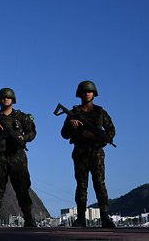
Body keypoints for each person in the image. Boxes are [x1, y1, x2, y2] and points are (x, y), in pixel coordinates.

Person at [0, 88, 37, 227]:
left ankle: (28, 218)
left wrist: (24, 137)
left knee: (22, 188)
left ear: (13, 100)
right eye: (3, 97)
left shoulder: (21, 117)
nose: (5, 99)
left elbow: (32, 132)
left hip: (17, 156)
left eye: (8, 97)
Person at [60, 80, 116, 228]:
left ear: (94, 94)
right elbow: (64, 134)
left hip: (96, 152)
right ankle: (80, 218)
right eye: (84, 92)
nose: (87, 94)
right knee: (81, 186)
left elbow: (111, 132)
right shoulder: (74, 113)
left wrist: (96, 136)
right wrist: (71, 125)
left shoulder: (100, 112)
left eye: (89, 91)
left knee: (100, 184)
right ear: (79, 94)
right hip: (80, 152)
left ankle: (105, 216)